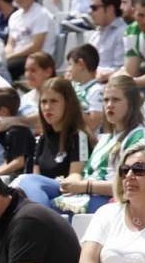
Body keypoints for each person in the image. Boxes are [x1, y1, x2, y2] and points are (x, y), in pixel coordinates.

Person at [52, 75, 145, 215]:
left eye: (116, 100)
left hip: (110, 200)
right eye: (106, 100)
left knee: (45, 213)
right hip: (83, 193)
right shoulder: (105, 138)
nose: (109, 105)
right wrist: (74, 181)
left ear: (131, 103)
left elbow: (133, 183)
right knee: (30, 183)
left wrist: (86, 186)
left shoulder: (140, 137)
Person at [12, 79, 95, 208]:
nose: (47, 107)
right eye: (44, 102)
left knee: (25, 180)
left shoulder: (79, 136)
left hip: (66, 194)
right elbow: (36, 177)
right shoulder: (43, 139)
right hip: (43, 197)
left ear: (68, 104)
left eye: (54, 101)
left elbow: (76, 174)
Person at [4, 0, 53, 81]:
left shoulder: (41, 14)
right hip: (17, 57)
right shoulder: (14, 16)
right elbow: (10, 43)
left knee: (7, 68)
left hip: (37, 58)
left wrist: (11, 56)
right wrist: (7, 54)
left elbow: (36, 46)